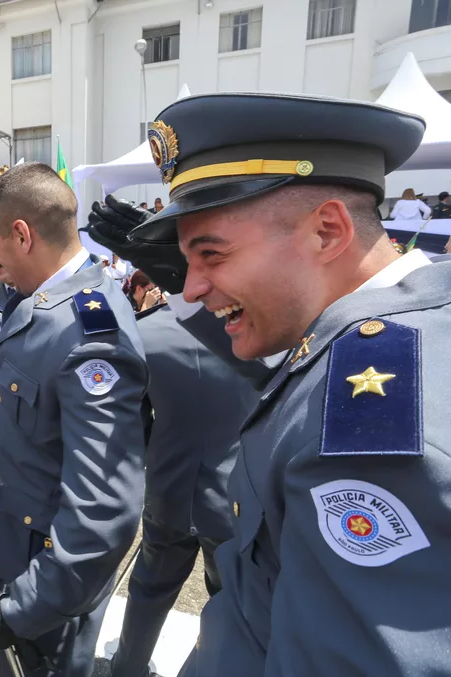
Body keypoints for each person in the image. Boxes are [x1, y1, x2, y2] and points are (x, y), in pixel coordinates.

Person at [89, 92, 445, 676]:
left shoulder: (374, 421)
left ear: (327, 231)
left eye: (212, 255)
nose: (194, 286)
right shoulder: (389, 338)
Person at [0, 163, 148, 676]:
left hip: (48, 581)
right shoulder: (52, 305)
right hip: (22, 554)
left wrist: (29, 605)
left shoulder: (88, 333)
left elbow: (103, 508)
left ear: (22, 235)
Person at [110, 299, 257, 677]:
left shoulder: (144, 329)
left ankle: (126, 668)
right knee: (231, 603)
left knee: (148, 590)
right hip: (234, 497)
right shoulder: (257, 327)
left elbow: (133, 424)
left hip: (167, 487)